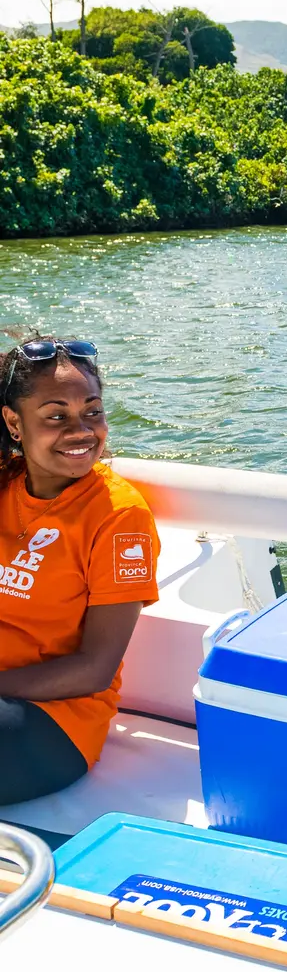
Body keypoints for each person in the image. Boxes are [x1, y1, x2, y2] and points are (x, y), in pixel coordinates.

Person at [0, 337, 159, 806]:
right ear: (14, 423)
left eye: (93, 411)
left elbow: (95, 669)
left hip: (54, 723)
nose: (82, 431)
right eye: (56, 416)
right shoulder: (6, 486)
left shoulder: (118, 516)